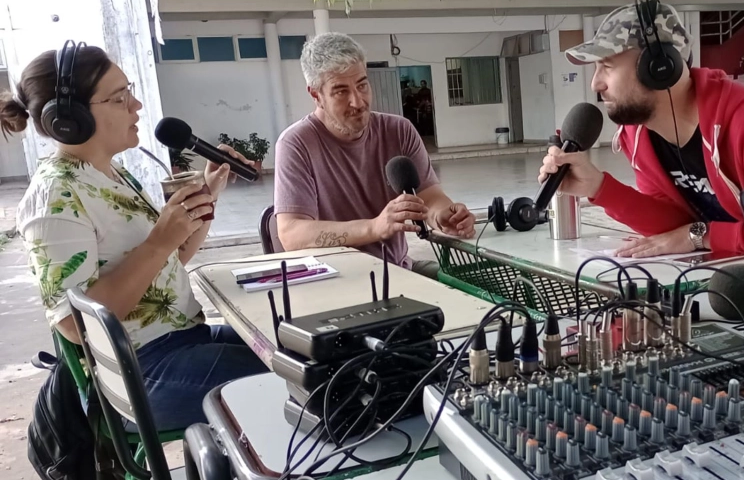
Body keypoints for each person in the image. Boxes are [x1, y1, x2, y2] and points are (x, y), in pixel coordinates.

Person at [1, 41, 268, 431]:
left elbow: (169, 261)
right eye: (119, 98)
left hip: (183, 339)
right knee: (309, 383)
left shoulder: (112, 174)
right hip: (138, 373)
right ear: (69, 118)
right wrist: (158, 242)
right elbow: (76, 325)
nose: (136, 105)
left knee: (309, 353)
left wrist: (208, 196)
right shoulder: (54, 197)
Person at [539, 0, 744, 258]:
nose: (595, 84)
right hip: (722, 273)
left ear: (658, 66)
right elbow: (673, 226)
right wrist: (598, 187)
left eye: (607, 66)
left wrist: (701, 236)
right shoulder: (638, 136)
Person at [274, 33, 475, 279]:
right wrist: (373, 227)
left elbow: (430, 197)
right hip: (335, 283)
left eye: (362, 85)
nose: (357, 102)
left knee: (477, 289)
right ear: (316, 95)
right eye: (341, 91)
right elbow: (292, 234)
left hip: (399, 271)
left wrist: (443, 216)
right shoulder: (296, 144)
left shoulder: (399, 130)